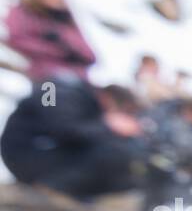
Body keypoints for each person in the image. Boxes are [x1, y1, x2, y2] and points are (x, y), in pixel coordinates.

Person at [0, 80, 144, 199]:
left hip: (43, 154)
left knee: (129, 160)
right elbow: (61, 131)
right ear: (109, 99)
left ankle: (75, 195)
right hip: (27, 156)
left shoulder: (85, 101)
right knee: (115, 153)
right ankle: (52, 188)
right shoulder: (61, 92)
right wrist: (108, 125)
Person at [4, 0, 97, 83]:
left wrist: (69, 49)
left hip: (79, 81)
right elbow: (17, 39)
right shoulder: (25, 13)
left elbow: (90, 56)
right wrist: (54, 49)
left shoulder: (66, 22)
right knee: (51, 96)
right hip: (48, 77)